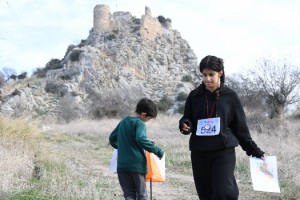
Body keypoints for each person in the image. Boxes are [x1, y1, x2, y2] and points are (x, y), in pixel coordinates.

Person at [179, 55, 265, 200]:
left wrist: (253, 150)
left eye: (211, 75)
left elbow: (240, 128)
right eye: (204, 75)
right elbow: (187, 118)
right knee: (206, 195)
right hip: (199, 152)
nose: (207, 79)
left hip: (223, 152)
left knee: (224, 192)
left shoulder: (230, 97)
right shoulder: (194, 96)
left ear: (220, 73)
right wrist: (185, 125)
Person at [109, 98, 164, 200]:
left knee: (129, 195)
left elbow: (112, 138)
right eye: (149, 118)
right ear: (143, 114)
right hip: (137, 165)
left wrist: (123, 147)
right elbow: (140, 138)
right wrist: (157, 150)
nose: (148, 121)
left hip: (122, 166)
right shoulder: (140, 123)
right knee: (142, 195)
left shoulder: (124, 121)